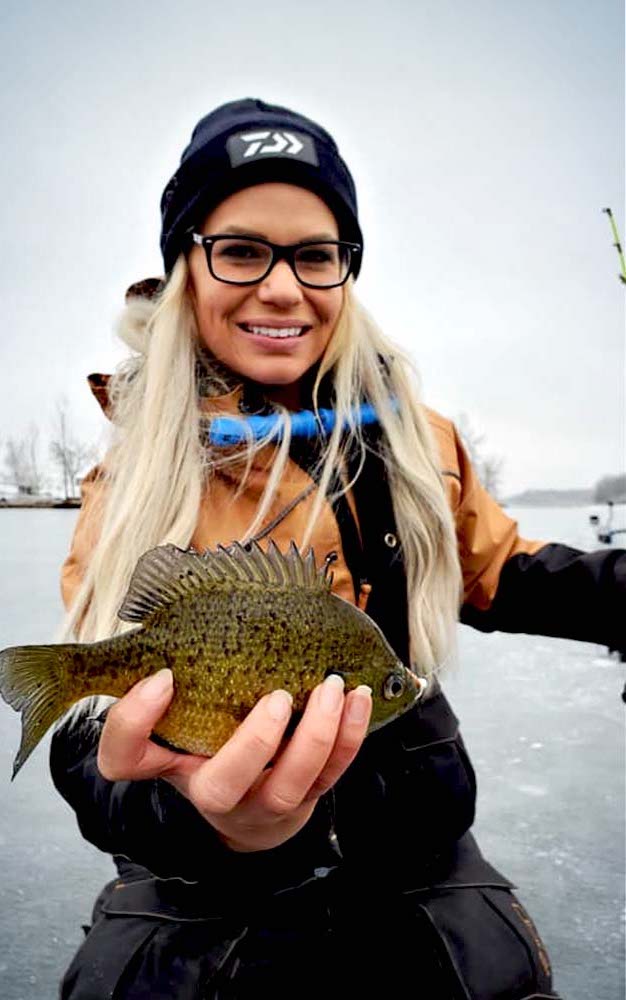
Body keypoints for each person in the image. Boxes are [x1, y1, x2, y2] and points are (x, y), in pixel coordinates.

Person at [50, 97, 624, 999]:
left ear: (346, 273)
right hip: (202, 892)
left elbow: (502, 574)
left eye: (316, 255)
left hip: (421, 858)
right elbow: (94, 734)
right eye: (239, 250)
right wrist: (203, 818)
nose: (282, 287)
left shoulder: (418, 439)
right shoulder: (134, 480)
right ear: (184, 267)